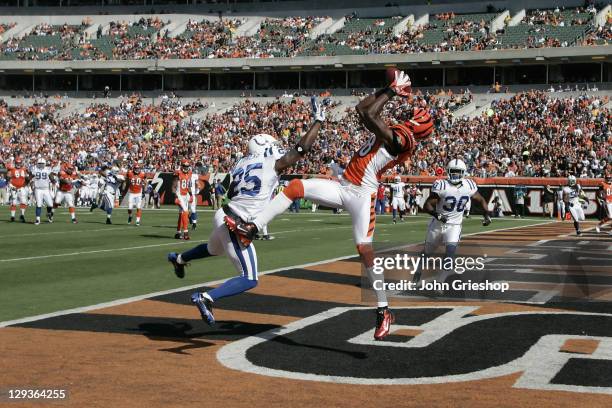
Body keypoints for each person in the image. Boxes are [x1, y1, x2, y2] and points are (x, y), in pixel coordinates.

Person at [233, 70, 433, 340]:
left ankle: (383, 309)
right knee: (295, 187)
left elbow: (369, 115)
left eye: (411, 120)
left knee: (364, 250)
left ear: (415, 129)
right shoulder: (400, 135)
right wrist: (388, 87)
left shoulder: (403, 141)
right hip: (344, 185)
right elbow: (361, 109)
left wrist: (391, 92)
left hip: (363, 195)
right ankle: (252, 227)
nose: (406, 120)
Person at [167, 96, 326, 326]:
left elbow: (234, 189)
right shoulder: (272, 163)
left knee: (213, 249)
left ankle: (179, 258)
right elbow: (301, 149)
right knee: (249, 278)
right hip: (236, 222)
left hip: (224, 213)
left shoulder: (241, 163)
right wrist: (318, 122)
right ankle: (206, 297)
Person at [414, 159, 492, 284]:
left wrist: (486, 214)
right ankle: (417, 272)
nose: (455, 175)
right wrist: (438, 215)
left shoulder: (469, 185)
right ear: (448, 172)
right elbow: (427, 205)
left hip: (454, 226)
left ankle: (440, 282)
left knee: (450, 254)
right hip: (438, 224)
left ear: (463, 172)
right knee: (427, 252)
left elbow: (481, 199)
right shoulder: (442, 185)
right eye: (453, 172)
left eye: (458, 172)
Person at [173, 160, 194, 240]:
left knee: (181, 214)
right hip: (179, 195)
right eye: (184, 166)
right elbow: (174, 186)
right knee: (185, 211)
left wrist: (191, 195)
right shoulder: (178, 173)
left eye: (187, 166)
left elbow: (188, 186)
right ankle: (185, 232)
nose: (186, 167)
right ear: (182, 166)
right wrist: (175, 196)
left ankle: (178, 233)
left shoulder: (189, 173)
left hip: (185, 195)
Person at [31, 158, 56, 225]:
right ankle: (37, 219)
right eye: (40, 164)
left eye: (42, 164)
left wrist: (53, 181)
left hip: (46, 189)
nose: (41, 165)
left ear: (44, 164)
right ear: (37, 164)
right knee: (39, 204)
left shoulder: (47, 169)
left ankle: (48, 214)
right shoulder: (34, 169)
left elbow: (51, 176)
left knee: (50, 204)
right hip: (38, 189)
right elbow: (31, 177)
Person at [7, 158, 29, 222]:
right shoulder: (12, 169)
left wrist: (25, 185)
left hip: (22, 187)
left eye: (19, 163)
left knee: (24, 201)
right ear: (15, 163)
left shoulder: (24, 169)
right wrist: (11, 186)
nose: (18, 164)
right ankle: (12, 216)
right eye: (17, 163)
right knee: (14, 201)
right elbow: (8, 178)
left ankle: (22, 215)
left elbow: (27, 178)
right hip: (14, 187)